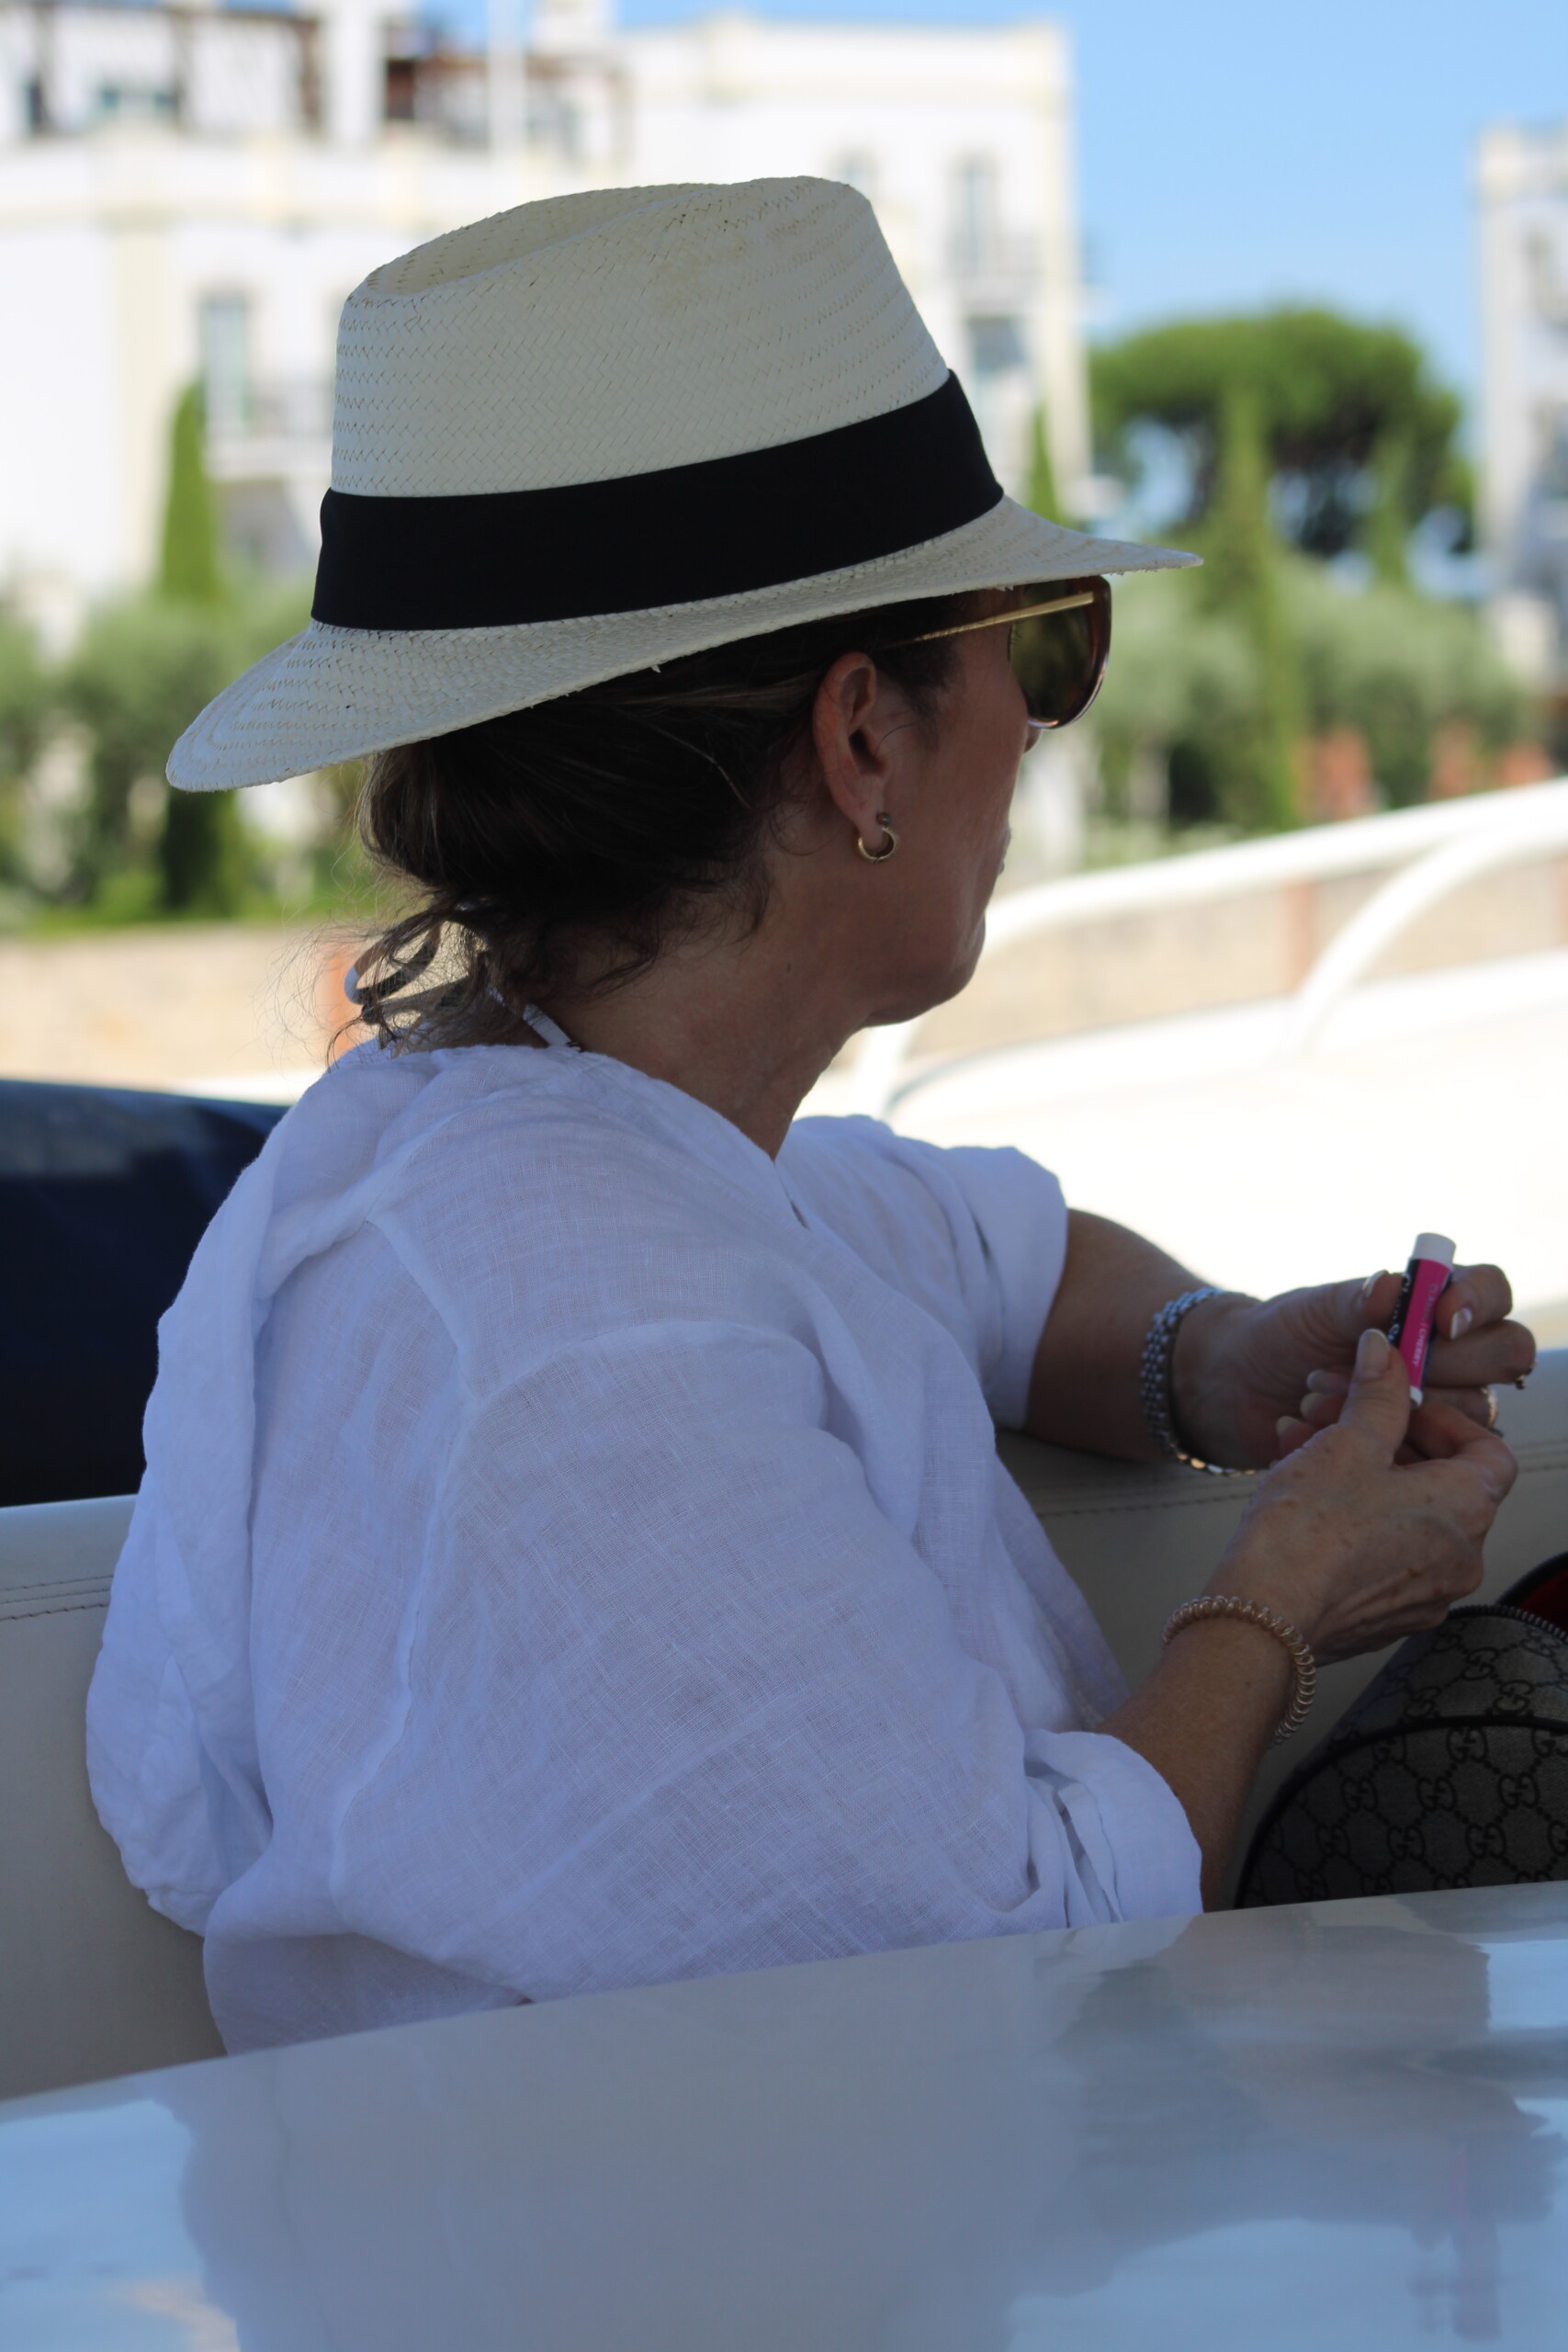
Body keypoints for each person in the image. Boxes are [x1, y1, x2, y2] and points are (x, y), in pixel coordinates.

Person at [88, 179, 1532, 2053]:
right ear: (861, 740)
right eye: (1040, 648)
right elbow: (1010, 1940)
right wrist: (1281, 1589)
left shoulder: (571, 1151)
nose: (1032, 730)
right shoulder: (573, 1319)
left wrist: (1216, 1353)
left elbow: (997, 1262)